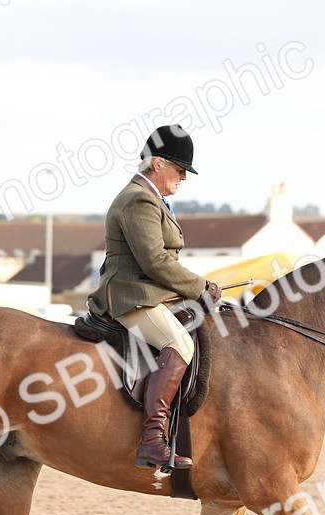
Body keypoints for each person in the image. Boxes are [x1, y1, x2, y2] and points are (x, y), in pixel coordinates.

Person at [87, 124, 221, 469]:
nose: (184, 177)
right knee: (180, 344)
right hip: (131, 295)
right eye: (179, 169)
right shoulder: (138, 199)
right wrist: (199, 287)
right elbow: (155, 260)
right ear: (158, 163)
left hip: (150, 291)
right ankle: (151, 440)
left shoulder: (151, 198)